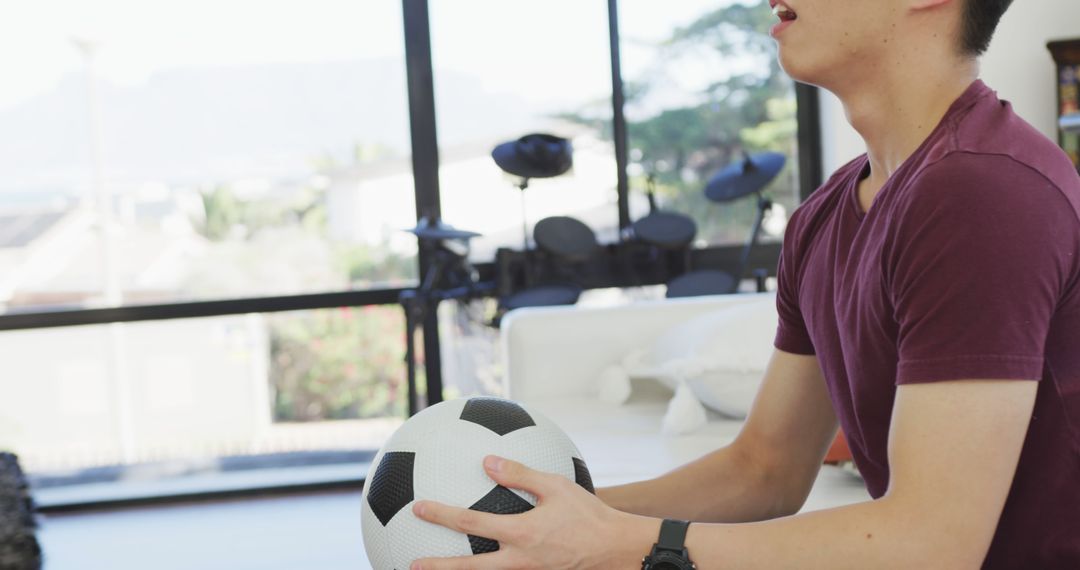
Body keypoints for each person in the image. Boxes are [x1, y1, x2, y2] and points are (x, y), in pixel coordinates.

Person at [409, 0, 1080, 567]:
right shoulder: (822, 219)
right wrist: (534, 520)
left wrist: (625, 544)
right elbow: (764, 469)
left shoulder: (983, 190)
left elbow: (930, 542)